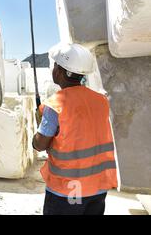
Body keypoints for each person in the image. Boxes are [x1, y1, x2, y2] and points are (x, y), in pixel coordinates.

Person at [33, 43, 118, 215]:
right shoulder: (101, 101)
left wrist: (39, 128)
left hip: (68, 190)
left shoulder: (55, 105)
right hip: (97, 187)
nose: (53, 69)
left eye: (55, 65)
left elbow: (40, 144)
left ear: (60, 71)